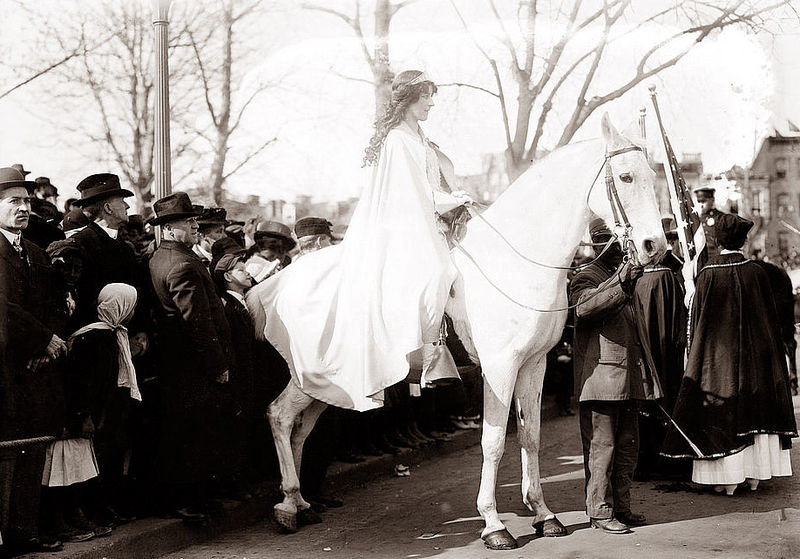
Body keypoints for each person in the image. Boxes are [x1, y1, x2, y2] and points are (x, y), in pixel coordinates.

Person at [250, 69, 471, 411]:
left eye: (431, 96)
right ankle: (430, 352)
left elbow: (431, 186)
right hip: (404, 224)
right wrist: (451, 200)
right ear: (410, 99)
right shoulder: (397, 139)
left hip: (427, 221)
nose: (431, 103)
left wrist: (454, 197)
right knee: (437, 270)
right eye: (426, 96)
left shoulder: (420, 138)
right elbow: (412, 193)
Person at [661, 214, 798, 495]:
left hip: (717, 362)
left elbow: (697, 323)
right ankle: (755, 476)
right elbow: (769, 323)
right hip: (754, 363)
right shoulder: (757, 273)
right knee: (754, 411)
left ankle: (727, 479)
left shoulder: (708, 274)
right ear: (744, 241)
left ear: (718, 241)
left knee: (722, 413)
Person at [147, 192, 234, 522]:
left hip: (180, 364)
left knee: (187, 433)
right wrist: (218, 365)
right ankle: (190, 501)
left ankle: (192, 498)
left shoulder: (164, 256)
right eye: (188, 221)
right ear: (169, 228)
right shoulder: (182, 263)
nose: (196, 225)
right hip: (192, 366)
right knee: (195, 434)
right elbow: (197, 321)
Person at [570, 218, 658, 534]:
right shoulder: (586, 276)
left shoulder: (616, 275)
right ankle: (599, 510)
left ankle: (621, 507)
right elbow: (585, 308)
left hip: (625, 380)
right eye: (614, 241)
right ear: (600, 244)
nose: (621, 248)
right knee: (601, 450)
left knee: (626, 450)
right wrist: (622, 278)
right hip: (600, 382)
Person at [0, 167, 66, 553]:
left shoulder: (37, 253)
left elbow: (57, 302)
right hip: (7, 367)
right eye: (14, 202)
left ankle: (26, 531)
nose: (23, 209)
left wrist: (50, 341)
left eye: (26, 202)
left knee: (34, 449)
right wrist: (42, 339)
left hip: (37, 368)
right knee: (6, 455)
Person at [631, 217, 688, 480]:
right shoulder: (669, 278)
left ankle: (645, 461)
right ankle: (669, 460)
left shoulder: (637, 281)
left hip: (646, 354)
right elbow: (679, 319)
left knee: (645, 404)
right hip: (668, 357)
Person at [70, 174, 140, 324]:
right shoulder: (79, 244)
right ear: (108, 208)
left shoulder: (124, 246)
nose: (127, 206)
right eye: (122, 201)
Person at [692, 185, 723, 265]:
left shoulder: (720, 217)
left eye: (704, 201)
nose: (701, 205)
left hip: (716, 256)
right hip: (700, 257)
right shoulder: (695, 219)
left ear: (712, 200)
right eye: (699, 202)